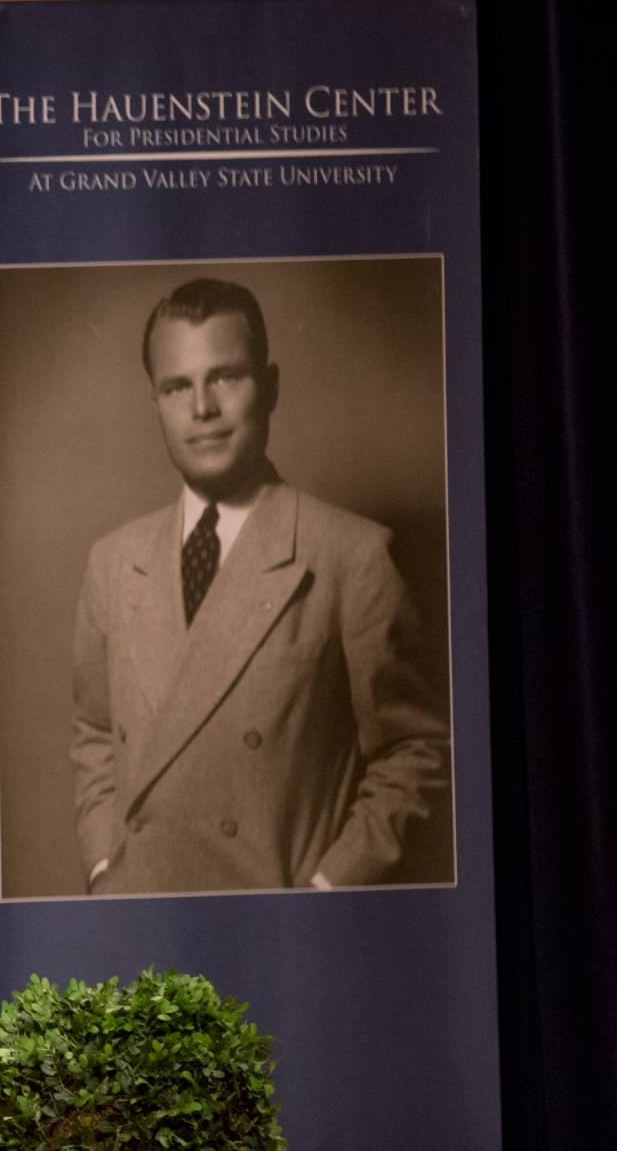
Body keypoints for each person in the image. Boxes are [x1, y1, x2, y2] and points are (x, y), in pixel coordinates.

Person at [69, 277, 448, 894]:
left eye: (225, 377)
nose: (202, 410)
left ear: (269, 387)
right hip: (142, 928)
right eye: (177, 386)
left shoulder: (353, 556)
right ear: (156, 404)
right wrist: (105, 866)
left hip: (280, 939)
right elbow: (92, 736)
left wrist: (326, 893)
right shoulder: (111, 563)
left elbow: (415, 753)